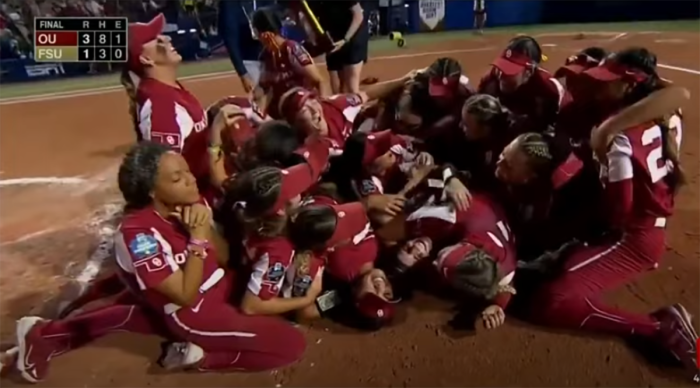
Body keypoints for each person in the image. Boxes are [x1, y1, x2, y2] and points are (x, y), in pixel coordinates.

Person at [8, 142, 307, 383]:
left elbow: (225, 258)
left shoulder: (193, 202)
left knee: (128, 314)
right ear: (152, 191)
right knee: (290, 345)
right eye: (177, 178)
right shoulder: (139, 235)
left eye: (187, 172)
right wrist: (198, 238)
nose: (191, 181)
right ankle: (199, 357)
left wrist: (204, 234)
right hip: (194, 311)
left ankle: (43, 336)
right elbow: (184, 296)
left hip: (217, 286)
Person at [526, 47, 698, 378]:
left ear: (630, 85)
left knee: (551, 301)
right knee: (551, 268)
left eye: (610, 82)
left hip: (634, 238)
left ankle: (660, 329)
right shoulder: (666, 114)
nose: (602, 87)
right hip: (648, 226)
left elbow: (619, 212)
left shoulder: (619, 138)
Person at [120, 14, 235, 205]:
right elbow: (165, 178)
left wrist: (212, 117)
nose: (166, 38)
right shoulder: (161, 105)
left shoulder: (167, 88)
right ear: (145, 59)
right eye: (156, 39)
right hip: (197, 199)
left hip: (203, 184)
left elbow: (185, 128)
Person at [289, 197, 400, 329]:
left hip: (312, 208)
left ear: (356, 296)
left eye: (372, 295)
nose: (381, 286)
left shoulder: (343, 271)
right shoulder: (380, 257)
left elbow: (305, 313)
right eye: (387, 294)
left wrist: (368, 203)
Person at [478, 35, 569, 134]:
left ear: (528, 72)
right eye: (500, 66)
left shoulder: (549, 91)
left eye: (508, 71)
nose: (500, 75)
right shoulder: (490, 81)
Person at [252, 5, 328, 119]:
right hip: (281, 113)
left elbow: (319, 81)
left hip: (303, 111)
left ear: (260, 32)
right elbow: (263, 89)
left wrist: (322, 113)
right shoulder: (265, 56)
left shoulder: (291, 49)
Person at [306, 0, 369, 94]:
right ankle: (343, 108)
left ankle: (363, 106)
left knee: (352, 88)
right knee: (337, 90)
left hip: (353, 35)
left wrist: (345, 40)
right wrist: (313, 37)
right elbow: (308, 17)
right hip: (333, 38)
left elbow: (358, 15)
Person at [218, 0, 263, 93]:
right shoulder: (229, 4)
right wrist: (243, 73)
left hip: (273, 58)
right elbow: (230, 39)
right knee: (262, 99)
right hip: (252, 61)